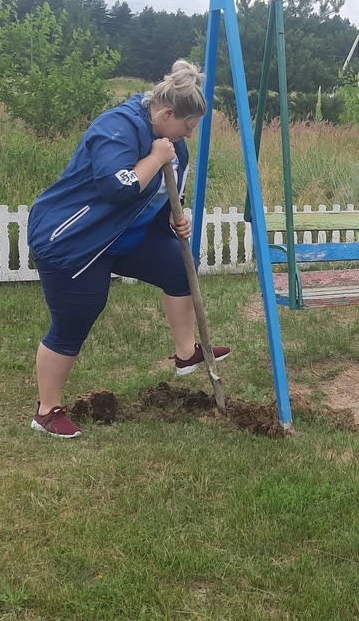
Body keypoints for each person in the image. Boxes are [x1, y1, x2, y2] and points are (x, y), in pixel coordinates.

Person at [26, 59, 231, 438]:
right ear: (166, 113)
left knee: (179, 265)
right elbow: (117, 188)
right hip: (74, 238)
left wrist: (171, 220)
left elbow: (159, 196)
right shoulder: (117, 127)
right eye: (187, 126)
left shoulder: (174, 148)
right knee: (76, 318)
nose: (188, 134)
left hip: (122, 236)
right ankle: (47, 410)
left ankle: (187, 352)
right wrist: (154, 158)